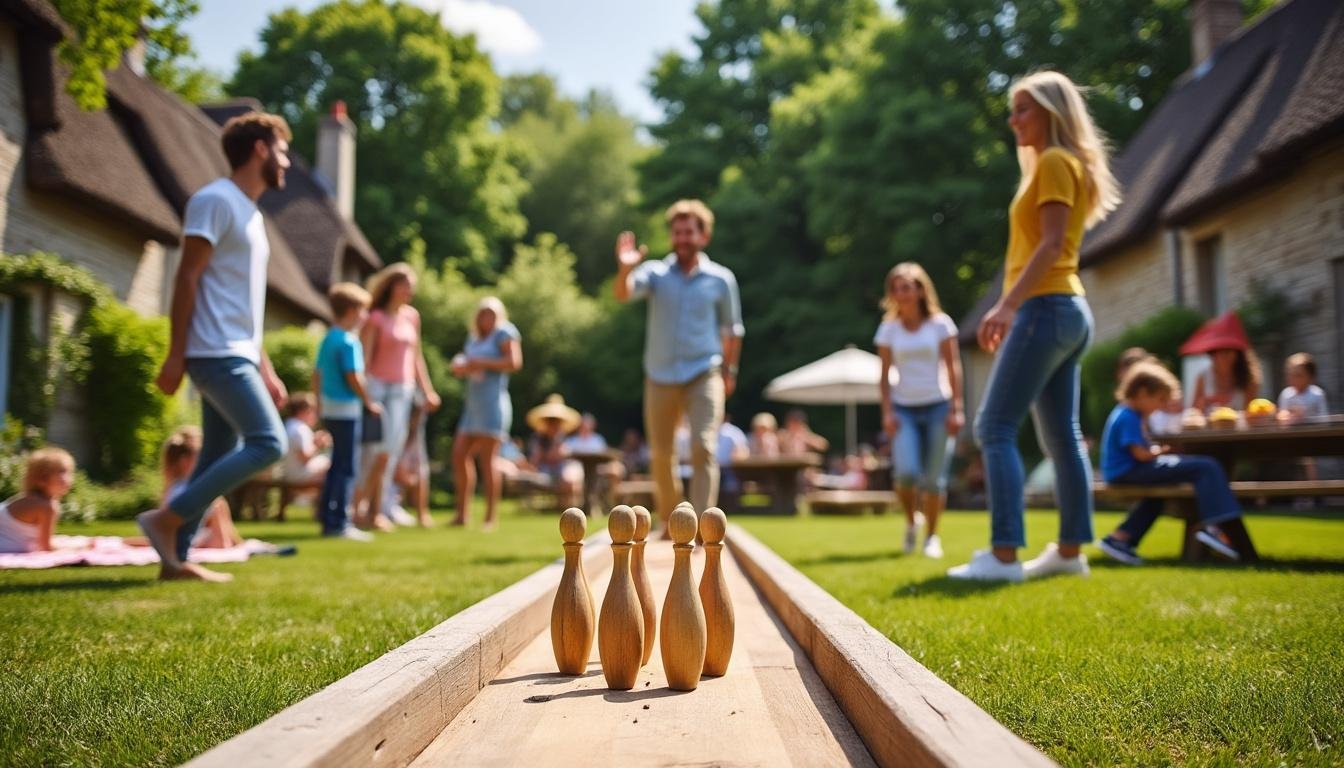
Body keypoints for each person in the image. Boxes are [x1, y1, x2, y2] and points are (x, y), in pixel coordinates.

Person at [949, 71, 1120, 582]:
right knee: (1062, 438)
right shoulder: (1063, 164)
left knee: (994, 427)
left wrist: (1005, 306)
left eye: (1023, 108)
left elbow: (1048, 246)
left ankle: (1004, 556)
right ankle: (1070, 552)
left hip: (1045, 309)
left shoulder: (1051, 162)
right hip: (1069, 311)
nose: (1013, 119)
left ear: (1051, 111)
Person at [141, 111, 296, 583]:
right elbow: (186, 277)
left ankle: (176, 557)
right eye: (283, 150)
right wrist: (175, 353)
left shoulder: (252, 215)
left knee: (216, 454)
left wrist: (264, 366)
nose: (286, 161)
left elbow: (244, 304)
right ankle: (165, 519)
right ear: (260, 149)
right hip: (212, 351)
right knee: (269, 443)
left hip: (238, 350)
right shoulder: (214, 200)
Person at [614, 200, 745, 530]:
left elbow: (733, 330)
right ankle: (673, 522)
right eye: (677, 232)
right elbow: (623, 294)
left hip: (705, 371)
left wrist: (730, 371)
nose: (682, 238)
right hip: (659, 375)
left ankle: (702, 526)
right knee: (660, 453)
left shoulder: (721, 279)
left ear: (704, 236)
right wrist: (625, 268)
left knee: (703, 446)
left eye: (689, 232)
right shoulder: (656, 273)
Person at [1096, 363, 1244, 564]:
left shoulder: (1126, 413)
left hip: (1124, 471)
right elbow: (1140, 454)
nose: (1161, 406)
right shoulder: (1129, 416)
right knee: (1207, 466)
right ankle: (1215, 526)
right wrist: (1161, 451)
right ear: (1141, 393)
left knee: (1158, 497)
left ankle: (1120, 539)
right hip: (1128, 471)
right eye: (1160, 400)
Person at [874, 262, 963, 559]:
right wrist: (887, 412)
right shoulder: (888, 329)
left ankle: (932, 538)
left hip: (939, 405)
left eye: (907, 287)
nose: (901, 293)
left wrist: (956, 408)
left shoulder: (940, 324)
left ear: (920, 289)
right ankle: (912, 521)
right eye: (896, 288)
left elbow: (954, 367)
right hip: (904, 409)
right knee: (907, 474)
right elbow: (884, 375)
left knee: (935, 478)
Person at [360, 263, 441, 530]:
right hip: (378, 387)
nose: (410, 290)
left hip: (403, 389)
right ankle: (365, 509)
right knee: (375, 451)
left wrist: (427, 389)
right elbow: (364, 357)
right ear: (392, 285)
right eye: (406, 284)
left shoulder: (412, 317)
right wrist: (363, 394)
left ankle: (379, 508)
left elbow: (416, 357)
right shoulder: (376, 318)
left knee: (390, 451)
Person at [313, 282, 380, 541]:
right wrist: (369, 402)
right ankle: (340, 522)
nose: (365, 317)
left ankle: (328, 519)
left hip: (330, 409)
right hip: (347, 410)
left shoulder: (329, 338)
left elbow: (317, 376)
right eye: (363, 311)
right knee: (346, 467)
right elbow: (353, 376)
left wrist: (319, 404)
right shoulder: (349, 341)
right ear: (352, 310)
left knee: (335, 466)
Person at [451, 296, 522, 529]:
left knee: (487, 461)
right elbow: (468, 364)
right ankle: (462, 514)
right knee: (459, 455)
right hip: (472, 406)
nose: (486, 318)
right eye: (483, 313)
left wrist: (479, 362)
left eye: (491, 313)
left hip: (493, 405)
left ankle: (491, 517)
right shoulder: (473, 337)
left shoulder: (505, 333)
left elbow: (513, 363)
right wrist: (461, 367)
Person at [160, 428, 243, 550]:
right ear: (184, 461)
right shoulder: (185, 489)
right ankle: (230, 543)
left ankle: (234, 542)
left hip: (188, 536)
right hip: (193, 538)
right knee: (217, 503)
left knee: (217, 503)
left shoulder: (175, 487)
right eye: (199, 458)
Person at [0, 448, 75, 553]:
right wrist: (77, 549)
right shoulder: (47, 506)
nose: (69, 478)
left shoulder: (26, 498)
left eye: (70, 472)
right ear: (42, 479)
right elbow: (46, 547)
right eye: (62, 472)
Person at [1185, 312, 1261, 413]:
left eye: (1227, 352)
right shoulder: (1203, 377)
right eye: (1216, 353)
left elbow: (1252, 413)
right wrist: (1208, 401)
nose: (1221, 357)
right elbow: (1193, 413)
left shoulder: (1249, 379)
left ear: (1238, 354)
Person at [526, 395, 584, 509]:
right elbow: (535, 461)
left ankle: (569, 508)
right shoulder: (538, 439)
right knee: (568, 479)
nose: (554, 424)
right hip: (546, 472)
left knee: (570, 478)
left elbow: (563, 456)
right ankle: (564, 509)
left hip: (562, 471)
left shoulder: (564, 439)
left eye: (557, 421)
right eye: (551, 421)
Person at [282, 393, 331, 494]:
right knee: (335, 464)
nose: (315, 415)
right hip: (298, 476)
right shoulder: (300, 429)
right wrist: (318, 444)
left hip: (288, 473)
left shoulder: (289, 425)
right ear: (302, 411)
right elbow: (304, 458)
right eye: (312, 411)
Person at [1278, 352, 1328, 422]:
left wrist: (1304, 417)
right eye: (1290, 375)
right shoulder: (1286, 394)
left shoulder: (1317, 394)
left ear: (1310, 377)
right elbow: (1282, 420)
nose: (1292, 379)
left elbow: (1324, 420)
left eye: (1298, 375)